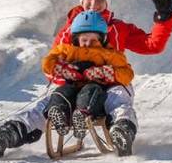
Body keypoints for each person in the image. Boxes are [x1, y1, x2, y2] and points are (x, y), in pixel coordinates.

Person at [0, 0, 172, 157]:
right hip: (74, 86)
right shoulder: (69, 31)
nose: (93, 4)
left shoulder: (118, 28)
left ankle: (122, 130)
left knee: (119, 100)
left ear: (107, 3)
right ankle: (11, 131)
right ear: (82, 0)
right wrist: (66, 76)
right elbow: (53, 64)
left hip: (111, 82)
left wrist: (163, 18)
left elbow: (152, 45)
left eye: (100, 0)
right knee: (47, 103)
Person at [42, 10, 134, 140]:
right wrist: (63, 69)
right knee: (61, 91)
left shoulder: (108, 53)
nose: (88, 43)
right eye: (84, 39)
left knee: (90, 90)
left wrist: (104, 72)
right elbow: (48, 62)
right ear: (76, 39)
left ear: (101, 39)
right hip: (72, 88)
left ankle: (82, 117)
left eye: (93, 40)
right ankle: (59, 114)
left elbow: (127, 74)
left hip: (95, 92)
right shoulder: (67, 50)